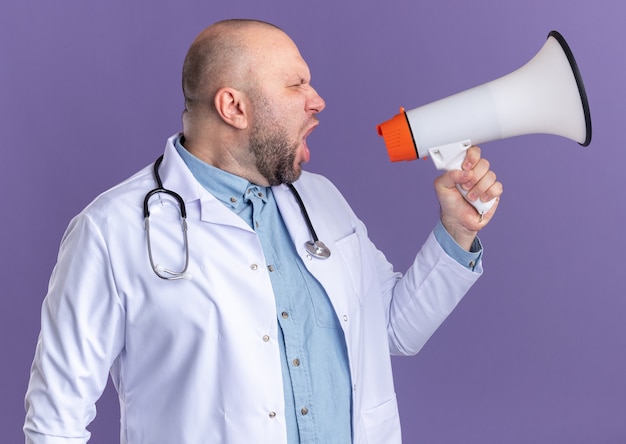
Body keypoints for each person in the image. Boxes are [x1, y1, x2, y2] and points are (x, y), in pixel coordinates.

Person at [24, 19, 502, 444]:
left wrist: (456, 232)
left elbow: (395, 329)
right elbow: (55, 422)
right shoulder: (111, 230)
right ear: (234, 106)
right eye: (296, 84)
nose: (318, 101)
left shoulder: (322, 200)